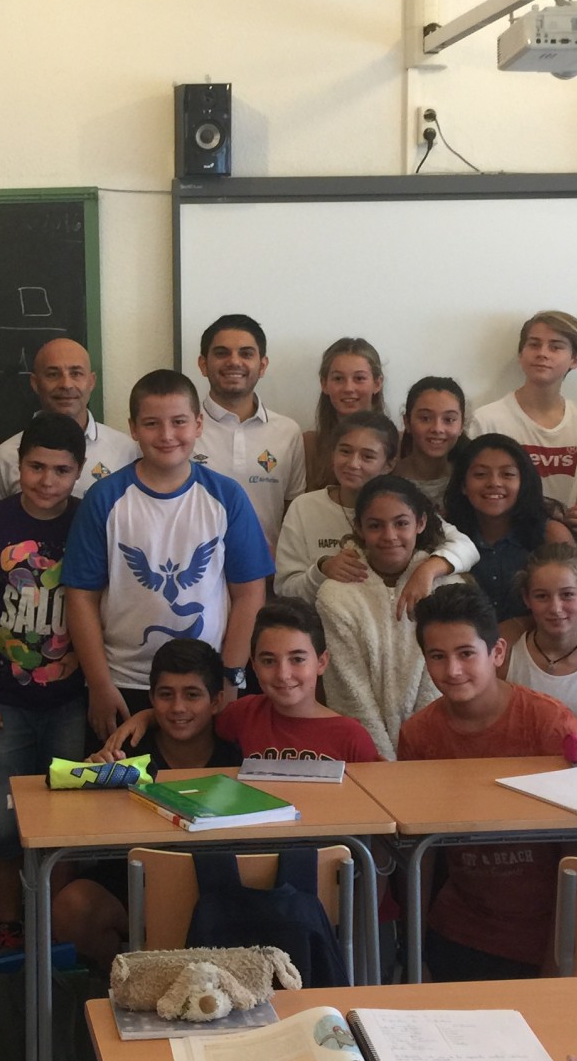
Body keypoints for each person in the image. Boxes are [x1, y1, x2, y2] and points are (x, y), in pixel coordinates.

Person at [65, 369, 272, 741]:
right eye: (151, 424)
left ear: (198, 424)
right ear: (133, 428)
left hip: (208, 684)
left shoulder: (226, 497)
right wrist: (99, 683)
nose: (166, 435)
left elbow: (250, 594)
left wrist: (230, 676)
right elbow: (81, 597)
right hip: (124, 682)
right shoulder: (104, 499)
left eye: (179, 422)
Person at [398, 584, 577, 980]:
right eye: (437, 656)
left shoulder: (549, 724)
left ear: (497, 653)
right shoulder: (419, 734)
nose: (452, 670)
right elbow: (420, 851)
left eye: (466, 653)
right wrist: (416, 951)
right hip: (460, 929)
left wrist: (562, 956)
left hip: (546, 934)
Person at [0, 411, 90, 953]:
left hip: (70, 702)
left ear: (79, 471)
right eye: (36, 467)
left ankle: (54, 924)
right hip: (2, 699)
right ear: (17, 466)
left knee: (67, 818)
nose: (47, 480)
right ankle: (8, 923)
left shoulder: (89, 521)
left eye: (61, 470)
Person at [58, 639, 242, 965]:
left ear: (216, 701)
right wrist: (93, 780)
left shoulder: (237, 753)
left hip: (216, 887)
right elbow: (75, 823)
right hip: (135, 883)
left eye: (192, 695)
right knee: (73, 907)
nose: (178, 707)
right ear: (152, 699)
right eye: (166, 695)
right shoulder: (125, 751)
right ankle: (125, 981)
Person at [98, 598, 380, 763]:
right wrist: (147, 716)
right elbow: (191, 714)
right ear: (253, 665)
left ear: (321, 662)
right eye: (268, 661)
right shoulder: (243, 715)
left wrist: (147, 716)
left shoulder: (351, 737)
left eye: (297, 659)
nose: (283, 674)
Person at [319, 477, 473, 758]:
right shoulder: (336, 595)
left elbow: (440, 682)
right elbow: (349, 690)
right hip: (364, 757)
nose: (389, 536)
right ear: (359, 528)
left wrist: (420, 752)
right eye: (375, 525)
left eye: (401, 523)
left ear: (420, 523)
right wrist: (379, 760)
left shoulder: (447, 586)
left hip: (437, 753)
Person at [276, 411, 479, 608]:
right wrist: (322, 570)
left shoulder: (405, 502)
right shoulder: (304, 507)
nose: (353, 464)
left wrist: (428, 569)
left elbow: (467, 548)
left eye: (367, 456)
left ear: (388, 465)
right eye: (345, 451)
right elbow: (284, 588)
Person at [470, 311, 577, 510]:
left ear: (574, 359)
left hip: (570, 529)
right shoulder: (485, 421)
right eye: (534, 344)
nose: (542, 353)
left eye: (555, 347)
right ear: (521, 355)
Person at [0, 338, 139, 507]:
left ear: (91, 382)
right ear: (35, 383)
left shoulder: (127, 450)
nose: (66, 384)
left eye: (76, 373)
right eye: (53, 374)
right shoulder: (2, 459)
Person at [191, 313, 305, 551]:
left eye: (246, 353)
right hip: (197, 570)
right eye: (222, 353)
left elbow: (293, 514)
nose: (234, 362)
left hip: (266, 570)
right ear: (203, 364)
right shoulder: (182, 431)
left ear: (262, 366)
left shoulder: (288, 432)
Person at [443, 433, 575, 630]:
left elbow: (574, 603)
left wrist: (516, 627)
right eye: (480, 474)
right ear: (463, 485)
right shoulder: (447, 535)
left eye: (507, 474)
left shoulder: (551, 534)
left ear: (523, 482)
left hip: (538, 643)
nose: (494, 483)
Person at [504, 543, 577, 735]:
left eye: (567, 595)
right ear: (527, 599)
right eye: (542, 596)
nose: (556, 608)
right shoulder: (506, 659)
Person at [303, 337, 387, 488]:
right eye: (338, 378)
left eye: (359, 378)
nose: (348, 388)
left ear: (377, 383)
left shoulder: (397, 444)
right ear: (324, 384)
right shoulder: (309, 446)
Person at [392, 376, 467, 506]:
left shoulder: (469, 482)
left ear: (461, 425)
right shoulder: (387, 476)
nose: (437, 429)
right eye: (425, 418)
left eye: (448, 420)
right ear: (407, 422)